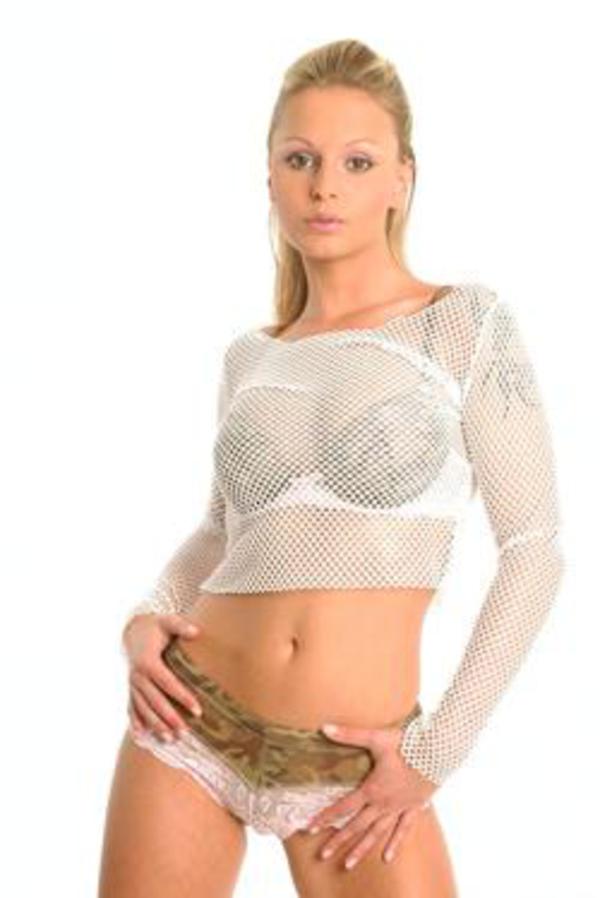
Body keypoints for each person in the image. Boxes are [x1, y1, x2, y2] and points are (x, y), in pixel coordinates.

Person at [98, 38, 564, 898]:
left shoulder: (463, 326)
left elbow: (535, 549)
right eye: (300, 159)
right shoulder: (252, 356)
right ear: (270, 178)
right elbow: (221, 530)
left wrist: (434, 755)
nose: (324, 187)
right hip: (191, 723)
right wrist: (145, 615)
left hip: (356, 765)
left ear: (401, 180)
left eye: (357, 162)